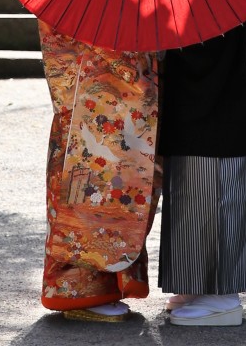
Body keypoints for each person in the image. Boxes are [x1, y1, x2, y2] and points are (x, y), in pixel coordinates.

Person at [38, 20, 162, 322]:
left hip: (108, 92)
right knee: (89, 189)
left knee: (119, 188)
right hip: (95, 89)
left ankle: (108, 283)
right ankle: (81, 289)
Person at [157, 17, 246, 328]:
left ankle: (223, 293)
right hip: (193, 68)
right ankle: (198, 282)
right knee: (190, 184)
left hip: (222, 75)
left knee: (221, 184)